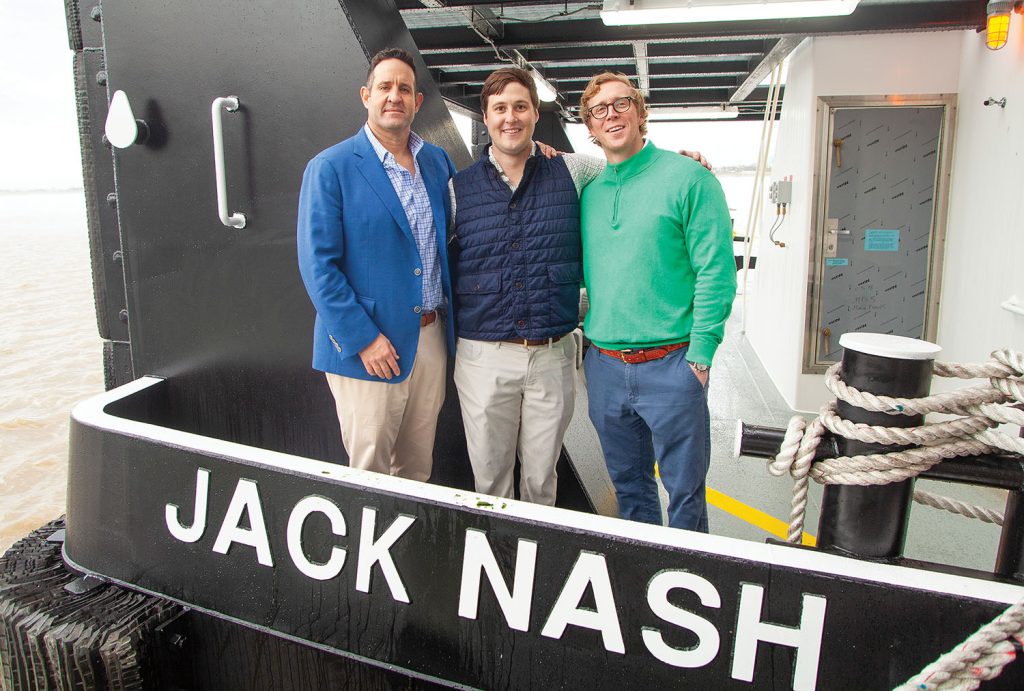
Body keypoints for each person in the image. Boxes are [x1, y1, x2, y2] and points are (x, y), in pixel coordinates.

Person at [451, 67, 711, 506]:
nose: (510, 117)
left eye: (520, 107)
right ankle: (498, 565)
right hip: (483, 358)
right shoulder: (458, 190)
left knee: (541, 479)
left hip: (553, 356)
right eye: (499, 109)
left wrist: (681, 163)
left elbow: (627, 167)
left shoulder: (574, 170)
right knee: (489, 482)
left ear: (536, 114)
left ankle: (536, 567)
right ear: (486, 117)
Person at [579, 72, 736, 532]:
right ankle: (642, 580)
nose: (611, 115)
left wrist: (701, 356)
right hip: (605, 367)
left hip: (673, 364)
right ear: (589, 126)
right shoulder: (588, 193)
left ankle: (690, 586)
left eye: (621, 103)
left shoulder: (690, 179)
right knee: (629, 489)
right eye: (599, 109)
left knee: (685, 493)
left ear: (641, 111)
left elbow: (716, 272)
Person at [296, 48, 456, 482]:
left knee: (417, 469)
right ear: (366, 95)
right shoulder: (330, 167)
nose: (394, 96)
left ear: (417, 102)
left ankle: (405, 552)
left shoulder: (437, 162)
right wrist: (364, 339)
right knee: (369, 474)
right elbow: (318, 267)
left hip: (430, 340)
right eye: (384, 87)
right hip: (370, 349)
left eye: (405, 88)